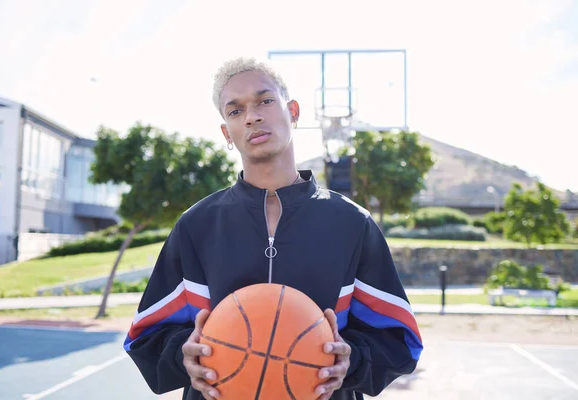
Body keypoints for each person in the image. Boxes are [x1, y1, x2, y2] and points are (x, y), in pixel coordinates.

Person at [124, 57, 423, 400]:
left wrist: (350, 361)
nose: (252, 116)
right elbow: (146, 337)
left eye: (265, 101)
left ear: (293, 111)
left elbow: (398, 340)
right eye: (235, 111)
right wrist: (183, 355)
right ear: (226, 132)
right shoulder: (197, 225)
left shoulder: (352, 223)